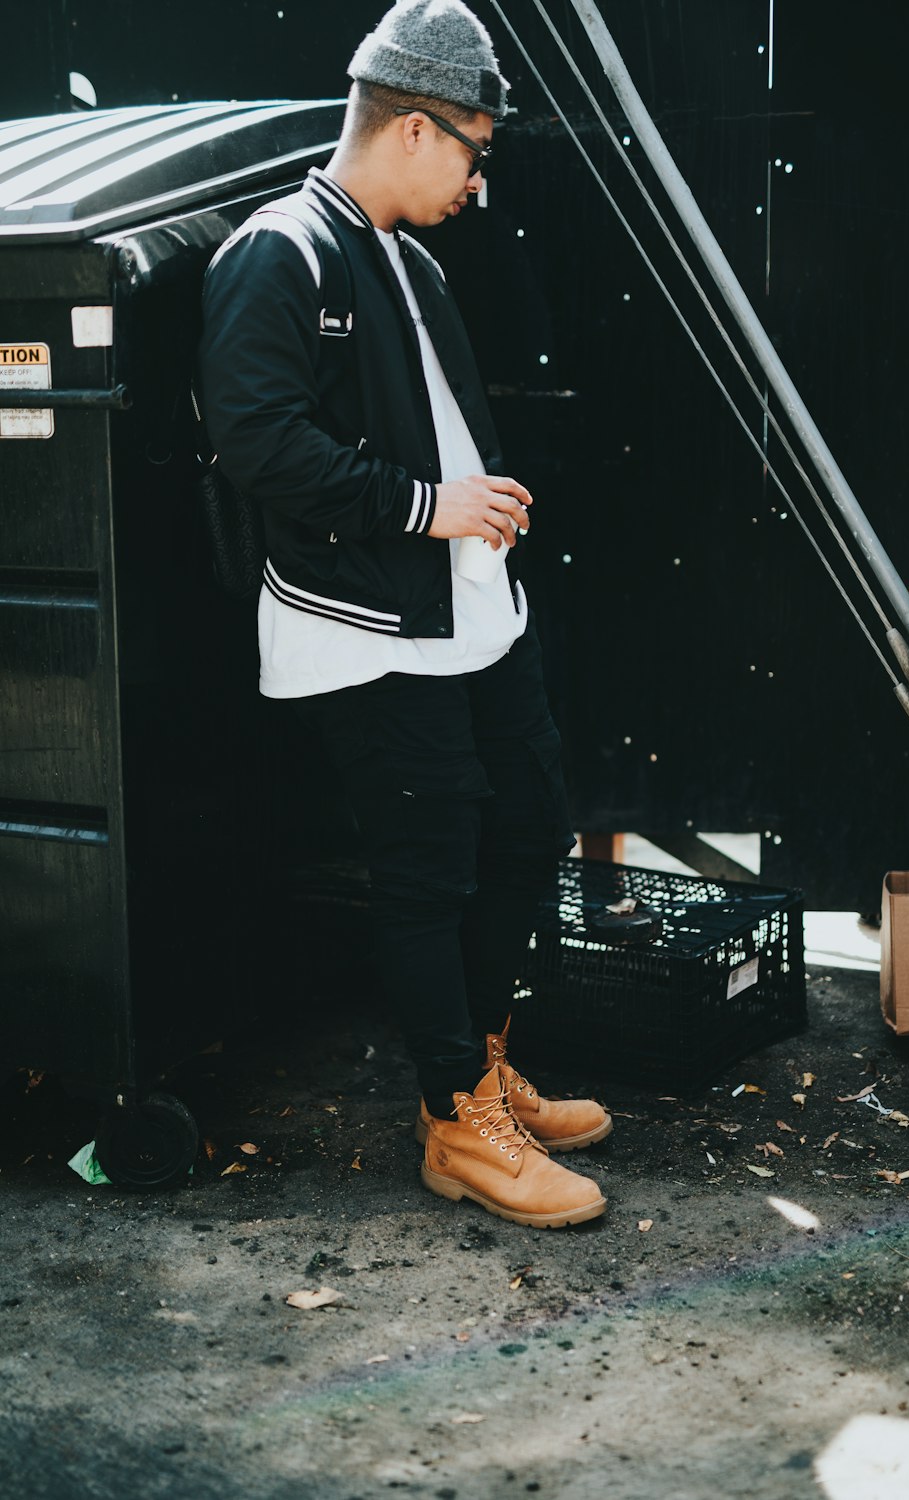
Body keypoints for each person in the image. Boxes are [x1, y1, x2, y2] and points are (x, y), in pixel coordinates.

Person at [198, 0, 611, 1228]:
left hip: (469, 610)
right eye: (476, 151)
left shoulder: (407, 258)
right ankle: (452, 1121)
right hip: (363, 623)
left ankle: (478, 1071)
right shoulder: (278, 252)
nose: (480, 181)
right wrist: (429, 505)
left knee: (528, 822)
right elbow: (256, 442)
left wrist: (470, 515)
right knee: (427, 868)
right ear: (418, 129)